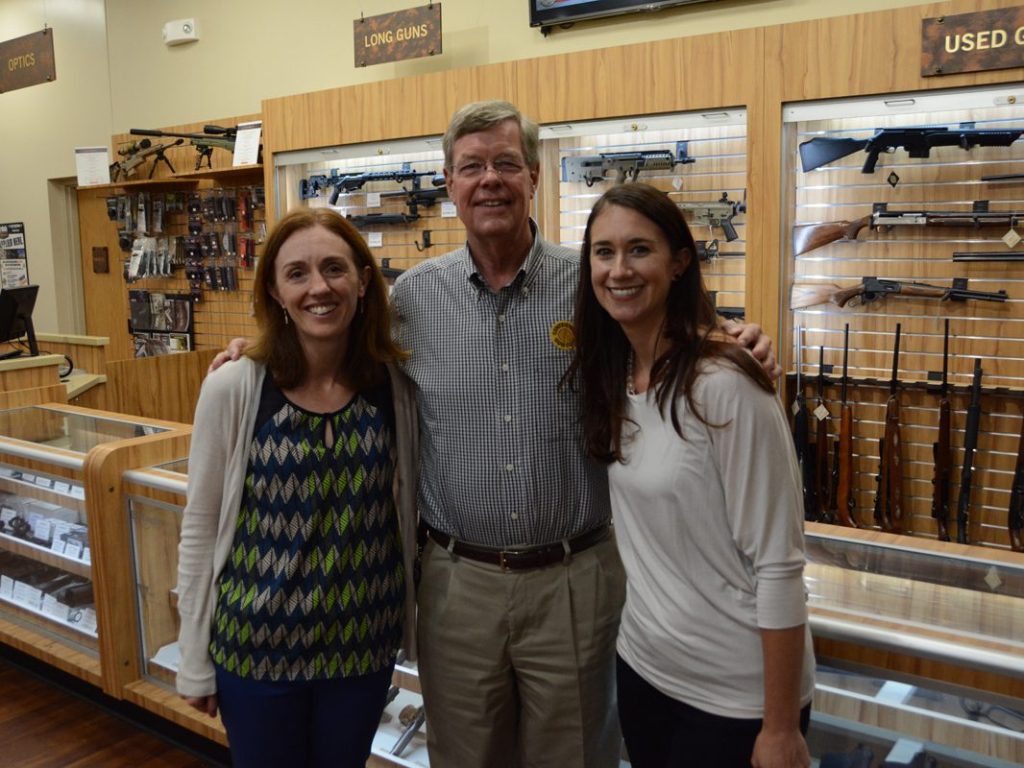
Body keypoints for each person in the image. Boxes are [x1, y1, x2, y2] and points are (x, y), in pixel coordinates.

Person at [212, 99, 779, 768]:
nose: (490, 180)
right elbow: (334, 345)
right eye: (471, 166)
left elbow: (669, 335)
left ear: (533, 176)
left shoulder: (593, 285)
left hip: (576, 578)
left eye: (506, 163)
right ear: (449, 183)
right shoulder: (413, 299)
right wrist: (255, 356)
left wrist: (733, 337)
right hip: (457, 587)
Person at [566, 182, 814, 768]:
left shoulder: (725, 384)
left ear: (679, 263)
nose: (619, 269)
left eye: (639, 250)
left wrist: (779, 727)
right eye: (603, 252)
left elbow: (779, 563)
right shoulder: (616, 375)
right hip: (645, 670)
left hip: (735, 697)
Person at [176, 208, 419, 768]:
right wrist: (194, 655)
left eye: (334, 269)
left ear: (362, 279)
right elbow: (200, 526)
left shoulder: (394, 385)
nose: (319, 288)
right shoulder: (237, 385)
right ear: (275, 291)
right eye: (298, 273)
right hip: (257, 653)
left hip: (363, 648)